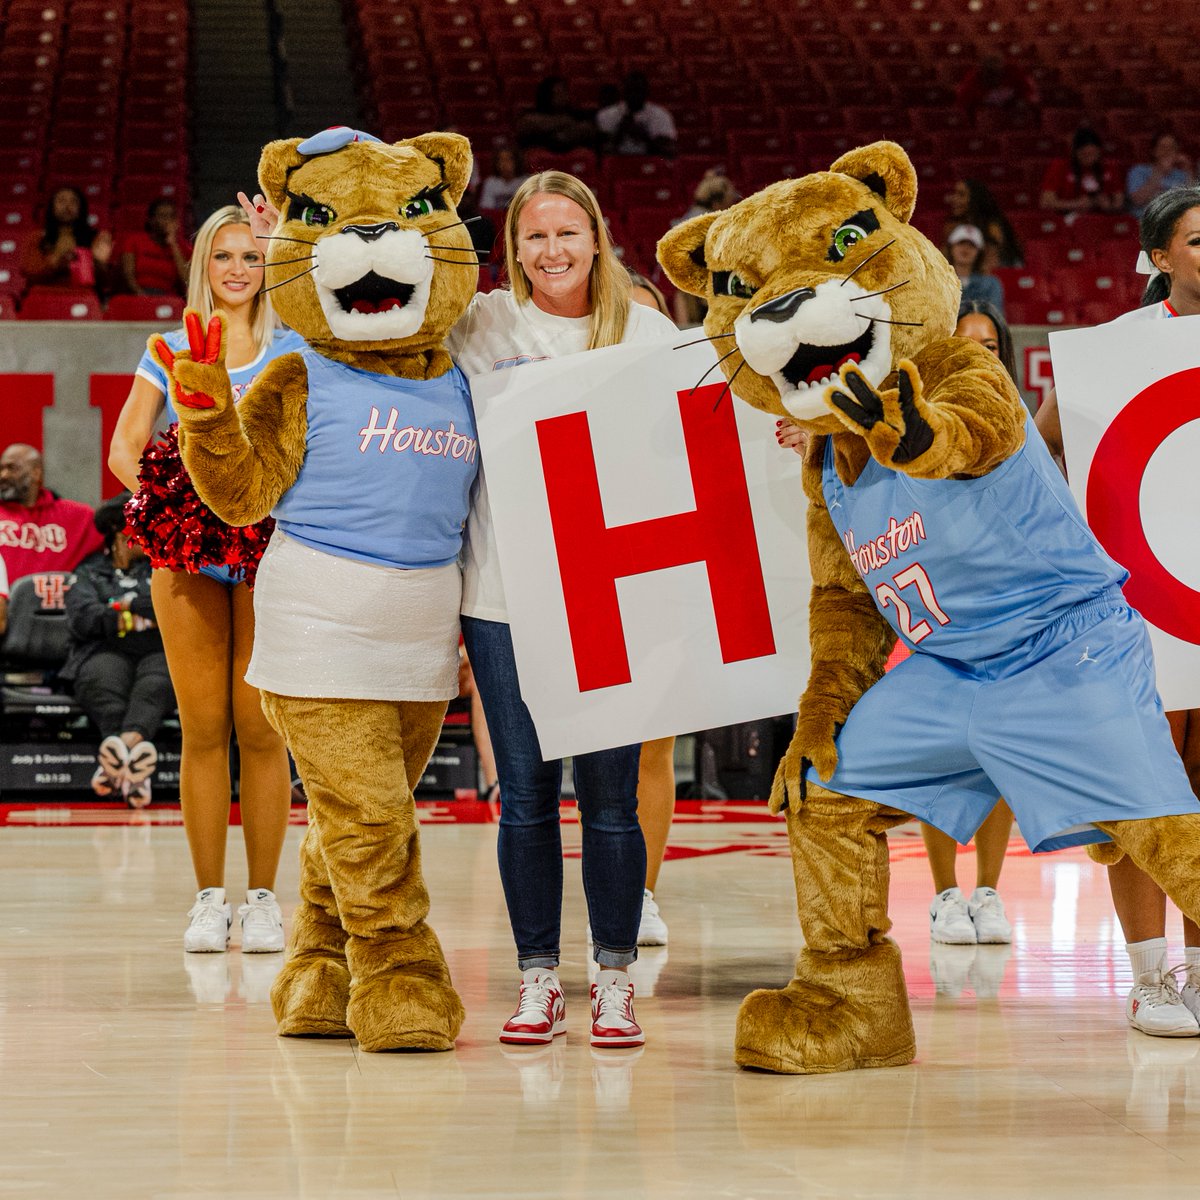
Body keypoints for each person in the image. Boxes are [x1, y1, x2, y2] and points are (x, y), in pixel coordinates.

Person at [447, 171, 677, 1048]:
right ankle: (538, 978)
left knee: (612, 800)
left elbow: (706, 434)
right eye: (535, 236)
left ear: (597, 239)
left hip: (610, 597)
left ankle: (614, 980)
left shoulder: (646, 331)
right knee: (526, 797)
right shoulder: (482, 324)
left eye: (567, 233)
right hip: (502, 598)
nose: (552, 251)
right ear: (513, 248)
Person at [109, 205, 305, 955]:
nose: (237, 269)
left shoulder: (294, 345)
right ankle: (208, 900)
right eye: (223, 256)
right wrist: (172, 507)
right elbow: (126, 446)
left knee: (261, 729)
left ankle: (263, 900)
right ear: (202, 266)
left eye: (251, 256)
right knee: (201, 728)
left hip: (269, 553)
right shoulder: (174, 348)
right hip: (188, 557)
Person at [1035, 186, 1200, 1034]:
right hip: (1139, 613)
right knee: (1140, 790)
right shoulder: (1113, 351)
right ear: (1160, 257)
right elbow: (1040, 450)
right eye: (1199, 240)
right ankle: (1149, 979)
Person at [923, 300, 1018, 945]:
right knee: (943, 757)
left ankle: (989, 892)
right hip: (934, 609)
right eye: (966, 344)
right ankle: (943, 897)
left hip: (1006, 608)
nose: (978, 355)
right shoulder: (915, 423)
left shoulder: (1022, 427)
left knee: (999, 760)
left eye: (990, 347)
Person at [62, 494, 174, 807]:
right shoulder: (89, 571)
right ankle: (134, 772)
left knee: (156, 685)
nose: (150, 535)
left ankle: (115, 764)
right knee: (103, 681)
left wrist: (121, 605)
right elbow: (83, 618)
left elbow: (171, 608)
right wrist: (139, 616)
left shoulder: (163, 568)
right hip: (101, 650)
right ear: (120, 535)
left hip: (157, 650)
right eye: (141, 529)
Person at [626, 269, 676, 946]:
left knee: (652, 750)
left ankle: (641, 893)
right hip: (578, 584)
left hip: (661, 580)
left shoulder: (687, 400)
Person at [0, 443, 103, 581]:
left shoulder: (76, 516)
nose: (3, 475)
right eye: (1, 469)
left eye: (12, 468)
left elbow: (121, 538)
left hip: (57, 594)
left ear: (36, 473)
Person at [20, 185, 114, 296]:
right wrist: (57, 265)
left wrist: (99, 263)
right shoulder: (37, 238)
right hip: (45, 297)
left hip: (84, 299)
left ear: (81, 208)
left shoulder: (97, 238)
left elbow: (106, 283)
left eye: (73, 202)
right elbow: (30, 273)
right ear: (52, 207)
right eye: (61, 201)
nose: (67, 206)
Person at [1039, 125, 1124, 215]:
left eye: (1094, 154)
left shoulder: (1109, 167)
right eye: (1085, 155)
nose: (1090, 159)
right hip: (1066, 217)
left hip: (1100, 217)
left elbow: (1119, 202)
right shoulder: (1060, 166)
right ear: (1075, 152)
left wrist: (1109, 206)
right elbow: (1046, 202)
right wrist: (1075, 204)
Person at [943, 178, 1024, 270]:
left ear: (975, 198)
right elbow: (945, 258)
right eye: (954, 194)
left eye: (961, 195)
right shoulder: (951, 227)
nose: (954, 199)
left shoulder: (992, 229)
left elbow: (992, 263)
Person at [120, 197, 191, 297]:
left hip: (168, 297)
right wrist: (142, 296)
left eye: (171, 216)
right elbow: (128, 275)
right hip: (139, 294)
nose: (167, 220)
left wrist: (173, 244)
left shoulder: (183, 247)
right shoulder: (134, 240)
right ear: (151, 220)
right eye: (163, 216)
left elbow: (187, 280)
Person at [596, 71, 677, 158]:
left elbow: (670, 153)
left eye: (638, 90)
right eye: (630, 90)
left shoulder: (661, 115)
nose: (634, 95)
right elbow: (601, 152)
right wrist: (619, 133)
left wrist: (645, 137)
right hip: (616, 162)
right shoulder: (606, 115)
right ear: (623, 92)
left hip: (649, 163)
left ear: (647, 92)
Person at [515, 76, 597, 155]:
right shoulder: (531, 116)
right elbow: (525, 125)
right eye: (559, 92)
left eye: (565, 91)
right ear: (547, 95)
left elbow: (588, 128)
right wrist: (564, 122)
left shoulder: (576, 114)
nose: (564, 96)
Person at [1126, 131, 1195, 219]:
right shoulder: (1139, 171)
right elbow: (1138, 200)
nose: (1167, 151)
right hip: (1147, 220)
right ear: (1154, 151)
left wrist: (1188, 171)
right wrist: (1159, 172)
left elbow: (1192, 202)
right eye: (1163, 147)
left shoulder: (1181, 174)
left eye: (1172, 148)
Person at [945, 224, 1005, 314]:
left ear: (979, 253)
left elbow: (995, 316)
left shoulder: (991, 284)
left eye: (972, 245)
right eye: (961, 243)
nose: (966, 248)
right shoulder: (938, 281)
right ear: (951, 247)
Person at [478, 147, 529, 212]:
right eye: (501, 160)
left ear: (516, 161)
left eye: (508, 159)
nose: (504, 164)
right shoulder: (490, 182)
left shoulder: (526, 182)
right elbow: (487, 209)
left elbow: (528, 208)